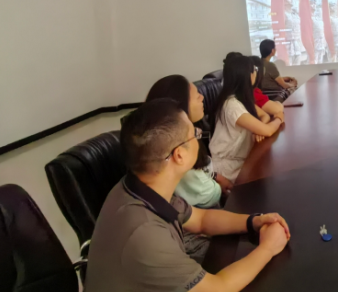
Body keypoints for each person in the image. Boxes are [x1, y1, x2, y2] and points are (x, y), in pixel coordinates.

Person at [86, 99, 290, 292]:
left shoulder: (141, 186)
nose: (198, 137)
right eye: (195, 134)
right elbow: (218, 288)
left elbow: (201, 220)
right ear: (179, 155)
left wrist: (254, 221)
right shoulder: (144, 235)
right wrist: (268, 247)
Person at [145, 75, 232, 210]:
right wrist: (219, 188)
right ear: (180, 107)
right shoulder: (178, 148)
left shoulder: (187, 134)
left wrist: (215, 176)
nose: (202, 97)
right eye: (197, 96)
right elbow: (206, 194)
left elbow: (202, 167)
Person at [210, 55, 284, 182]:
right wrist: (278, 118)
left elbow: (264, 116)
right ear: (248, 75)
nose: (256, 72)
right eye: (254, 69)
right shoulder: (231, 105)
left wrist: (257, 129)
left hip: (241, 159)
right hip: (229, 168)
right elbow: (268, 131)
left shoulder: (241, 98)